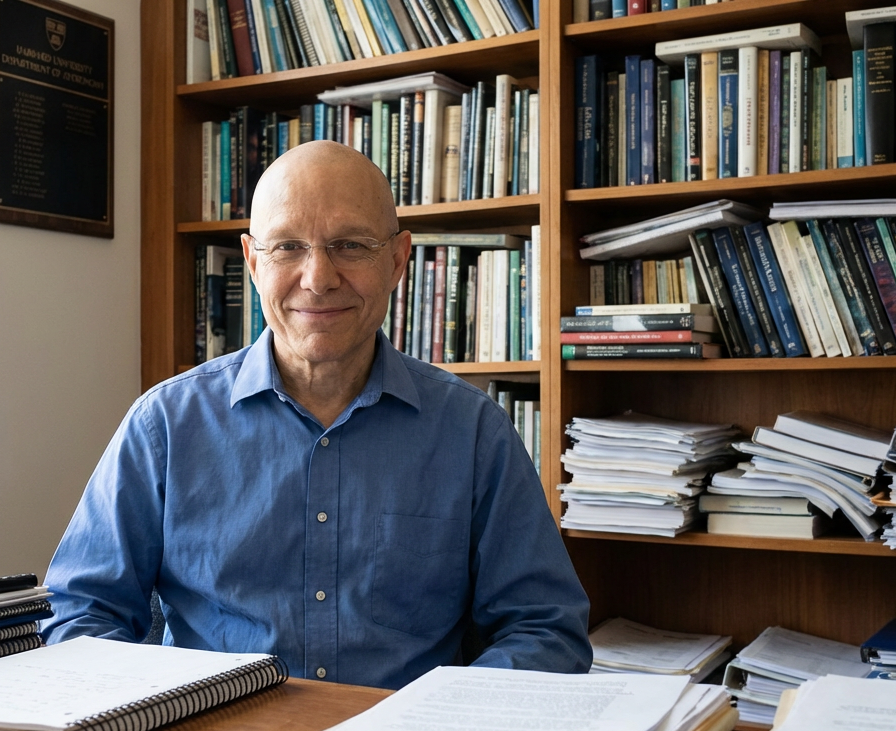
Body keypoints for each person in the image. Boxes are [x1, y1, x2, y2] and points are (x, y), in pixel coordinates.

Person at [41, 140, 591, 689]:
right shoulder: (164, 425)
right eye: (287, 247)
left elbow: (545, 628)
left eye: (350, 245)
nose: (318, 277)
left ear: (397, 260)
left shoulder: (472, 433)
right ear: (253, 262)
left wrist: (445, 716)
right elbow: (79, 614)